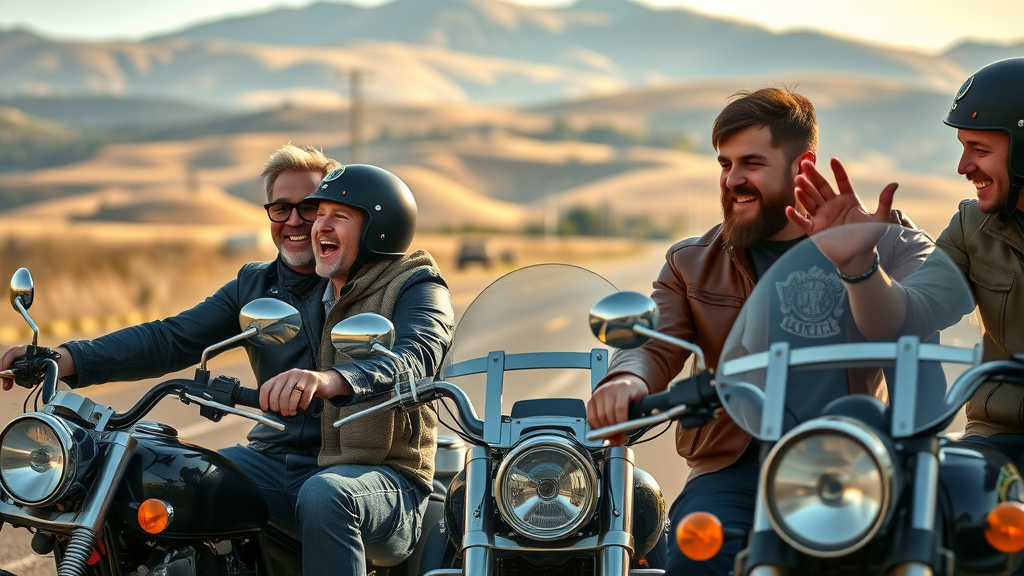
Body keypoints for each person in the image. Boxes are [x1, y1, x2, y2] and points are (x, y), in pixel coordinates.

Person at [584, 87, 931, 576]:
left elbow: (929, 306)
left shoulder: (883, 239)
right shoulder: (691, 262)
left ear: (801, 166)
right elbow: (654, 341)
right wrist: (627, 379)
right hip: (739, 468)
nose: (732, 180)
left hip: (860, 458)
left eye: (751, 163)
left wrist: (863, 263)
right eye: (724, 165)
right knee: (696, 553)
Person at [0, 144, 337, 542]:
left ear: (330, 215)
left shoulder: (354, 283)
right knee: (165, 484)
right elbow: (171, 337)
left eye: (309, 207)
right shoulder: (254, 284)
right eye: (281, 208)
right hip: (268, 454)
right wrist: (63, 357)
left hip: (336, 460)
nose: (294, 220)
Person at [789, 58, 1024, 561]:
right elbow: (907, 315)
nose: (963, 168)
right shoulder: (970, 227)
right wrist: (859, 266)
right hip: (1001, 439)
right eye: (963, 149)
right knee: (929, 507)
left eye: (979, 150)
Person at [256, 163, 454, 575]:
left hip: (392, 482)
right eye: (319, 214)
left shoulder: (419, 286)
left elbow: (417, 354)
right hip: (319, 468)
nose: (319, 227)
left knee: (326, 495)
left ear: (378, 229)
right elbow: (170, 336)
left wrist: (334, 380)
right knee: (189, 475)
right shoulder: (326, 290)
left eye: (339, 217)